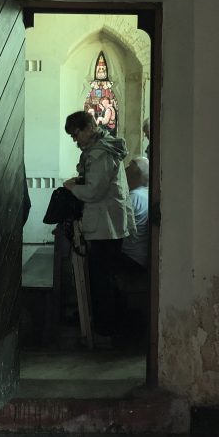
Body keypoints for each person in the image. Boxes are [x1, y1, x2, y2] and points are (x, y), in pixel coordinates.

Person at [63, 111, 135, 341]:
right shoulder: (101, 150)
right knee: (103, 276)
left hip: (106, 225)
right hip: (108, 223)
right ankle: (108, 325)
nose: (76, 141)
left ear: (89, 128)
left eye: (76, 135)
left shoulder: (100, 153)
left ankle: (107, 328)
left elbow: (95, 191)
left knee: (102, 278)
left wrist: (72, 187)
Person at [121, 156, 149, 273]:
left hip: (131, 257)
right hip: (142, 257)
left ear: (136, 175)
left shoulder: (133, 197)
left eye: (128, 170)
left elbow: (118, 226)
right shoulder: (148, 194)